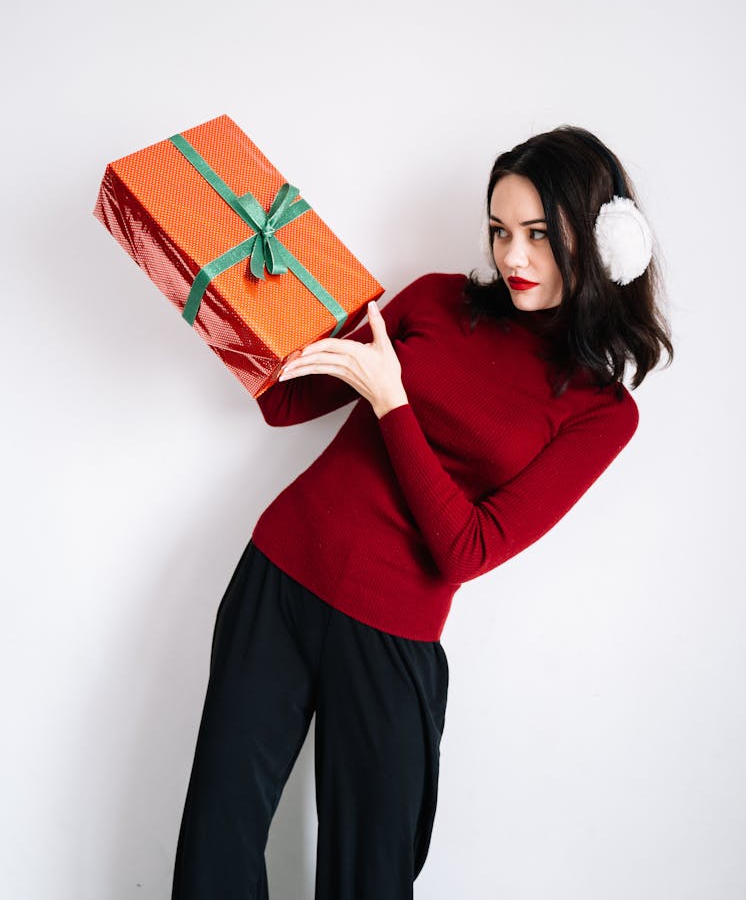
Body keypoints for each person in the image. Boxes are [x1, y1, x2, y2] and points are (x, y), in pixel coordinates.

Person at [170, 125, 673, 900]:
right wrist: (210, 280)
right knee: (217, 841)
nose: (513, 257)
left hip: (393, 636)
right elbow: (287, 399)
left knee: (370, 877)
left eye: (539, 235)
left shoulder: (599, 413)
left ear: (605, 241)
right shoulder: (435, 297)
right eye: (501, 231)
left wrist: (392, 399)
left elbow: (467, 549)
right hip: (277, 578)